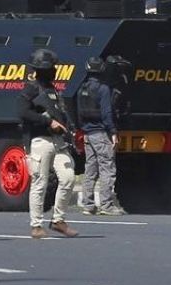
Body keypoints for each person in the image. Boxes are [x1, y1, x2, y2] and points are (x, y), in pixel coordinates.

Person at [18, 49, 78, 239]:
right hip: (39, 140)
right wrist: (47, 122)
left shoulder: (53, 90)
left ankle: (58, 220)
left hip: (58, 140)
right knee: (40, 182)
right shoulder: (31, 88)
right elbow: (22, 112)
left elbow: (61, 113)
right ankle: (36, 225)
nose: (54, 71)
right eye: (51, 68)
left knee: (68, 177)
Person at [78, 57, 123, 216]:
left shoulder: (82, 89)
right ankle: (106, 205)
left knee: (90, 170)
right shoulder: (103, 89)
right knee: (107, 169)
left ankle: (88, 205)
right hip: (100, 133)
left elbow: (79, 114)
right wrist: (113, 132)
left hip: (87, 133)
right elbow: (106, 113)